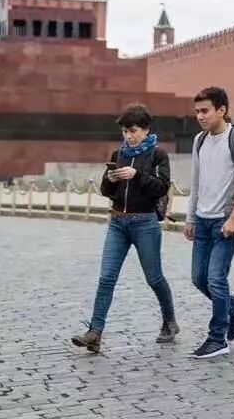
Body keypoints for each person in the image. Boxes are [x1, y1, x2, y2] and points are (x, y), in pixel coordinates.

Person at [71, 104, 178, 353]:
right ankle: (95, 333)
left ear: (145, 129)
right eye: (125, 132)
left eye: (132, 131)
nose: (128, 136)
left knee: (154, 278)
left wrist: (137, 175)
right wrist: (109, 180)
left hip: (145, 223)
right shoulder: (118, 153)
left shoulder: (158, 155)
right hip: (118, 222)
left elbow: (161, 187)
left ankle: (170, 322)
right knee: (106, 278)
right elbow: (107, 192)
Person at [185, 86, 234, 360]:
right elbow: (196, 181)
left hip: (226, 221)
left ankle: (218, 337)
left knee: (216, 278)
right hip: (203, 221)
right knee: (198, 278)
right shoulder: (200, 141)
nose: (200, 116)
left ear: (222, 110)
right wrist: (191, 218)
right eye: (197, 112)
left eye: (205, 111)